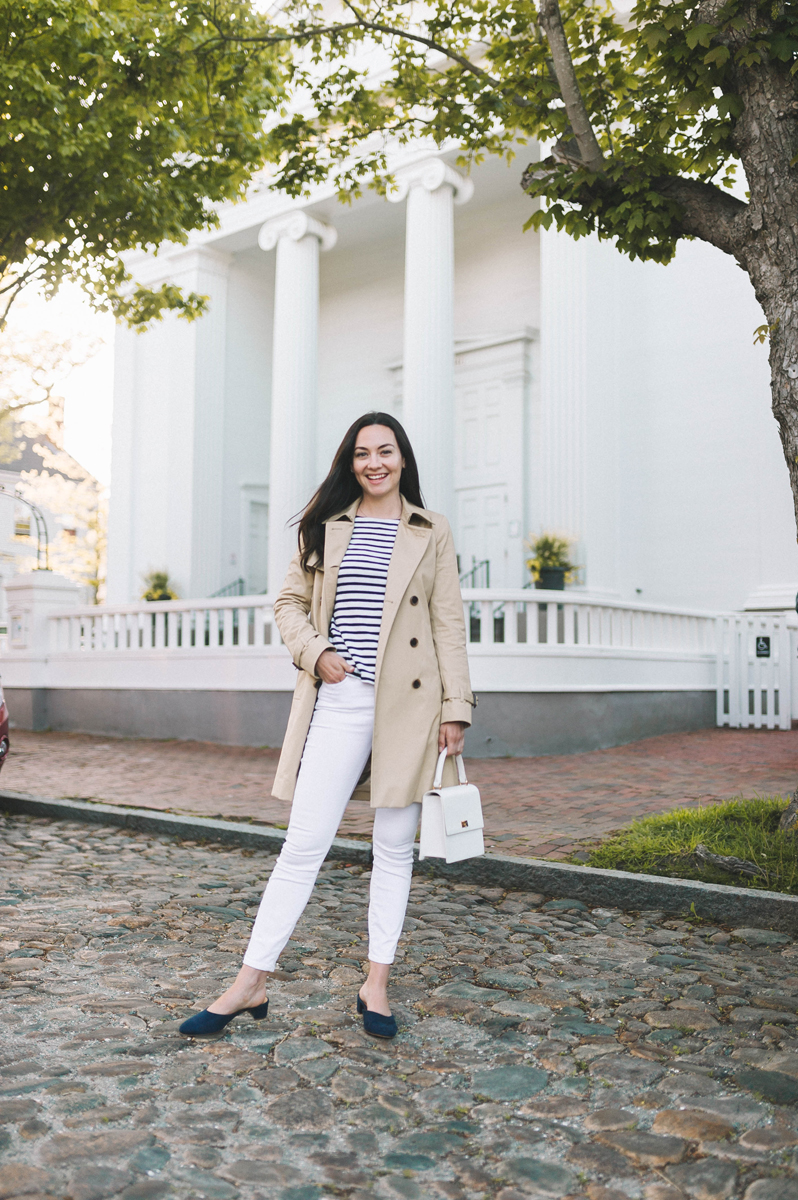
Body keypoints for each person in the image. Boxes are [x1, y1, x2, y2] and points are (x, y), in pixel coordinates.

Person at [180, 412, 474, 1039]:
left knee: (394, 849)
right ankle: (251, 980)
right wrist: (315, 652)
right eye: (362, 453)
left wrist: (456, 708)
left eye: (385, 451)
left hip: (412, 710)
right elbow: (288, 602)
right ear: (350, 463)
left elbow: (449, 622)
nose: (374, 462)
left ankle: (376, 984)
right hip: (341, 702)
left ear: (403, 458)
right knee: (303, 846)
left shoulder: (432, 530)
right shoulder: (325, 526)